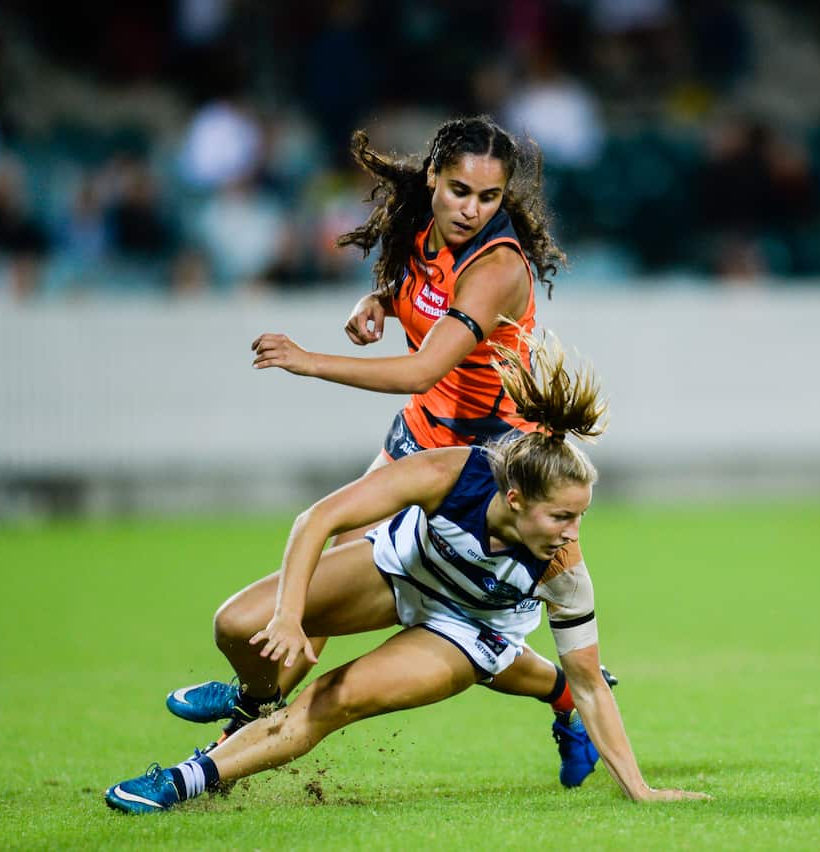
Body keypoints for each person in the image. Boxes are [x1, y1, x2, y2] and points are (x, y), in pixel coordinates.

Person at [167, 116, 607, 788]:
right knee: (360, 600)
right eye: (460, 190)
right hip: (415, 445)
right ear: (432, 176)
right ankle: (256, 708)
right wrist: (378, 301)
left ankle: (250, 713)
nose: (472, 209)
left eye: (488, 198)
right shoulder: (421, 232)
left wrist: (309, 361)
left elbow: (420, 372)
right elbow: (425, 304)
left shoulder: (497, 265)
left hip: (485, 470)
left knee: (458, 620)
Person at [104, 332, 710, 812]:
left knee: (329, 700)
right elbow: (317, 520)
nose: (574, 532)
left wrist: (641, 788)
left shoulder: (563, 571)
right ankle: (250, 699)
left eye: (581, 516)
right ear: (517, 497)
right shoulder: (454, 472)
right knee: (237, 623)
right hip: (401, 571)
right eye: (563, 515)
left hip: (468, 627)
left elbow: (592, 684)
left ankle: (181, 782)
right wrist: (288, 618)